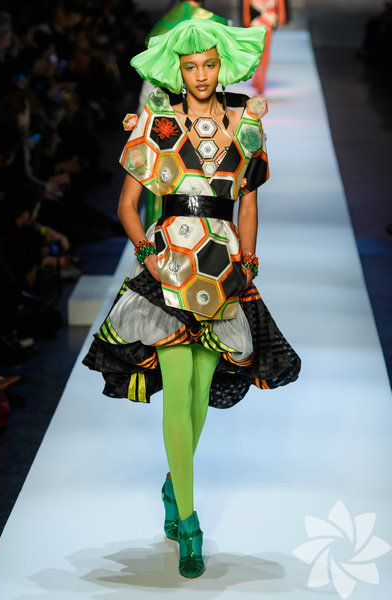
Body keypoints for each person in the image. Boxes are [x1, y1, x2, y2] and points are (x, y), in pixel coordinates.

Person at [83, 18, 301, 579]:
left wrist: (248, 261)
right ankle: (189, 521)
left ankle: (171, 486)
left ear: (220, 66)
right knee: (177, 389)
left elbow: (248, 201)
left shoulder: (246, 124)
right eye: (189, 67)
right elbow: (127, 205)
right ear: (177, 71)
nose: (200, 75)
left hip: (222, 269)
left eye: (208, 64)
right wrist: (147, 255)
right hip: (171, 266)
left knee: (200, 393)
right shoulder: (155, 123)